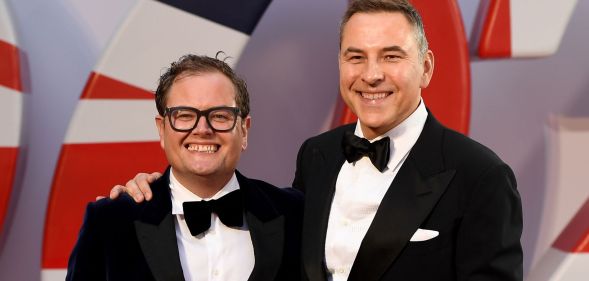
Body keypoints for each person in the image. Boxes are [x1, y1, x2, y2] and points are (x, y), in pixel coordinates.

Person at [111, 1, 523, 280]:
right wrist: (160, 190)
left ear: (427, 67)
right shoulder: (318, 155)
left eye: (391, 56)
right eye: (356, 56)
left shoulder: (481, 175)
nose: (372, 74)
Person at [67, 54, 303, 281]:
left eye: (220, 116)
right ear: (162, 129)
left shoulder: (295, 213)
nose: (202, 129)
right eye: (185, 115)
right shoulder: (111, 220)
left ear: (244, 130)